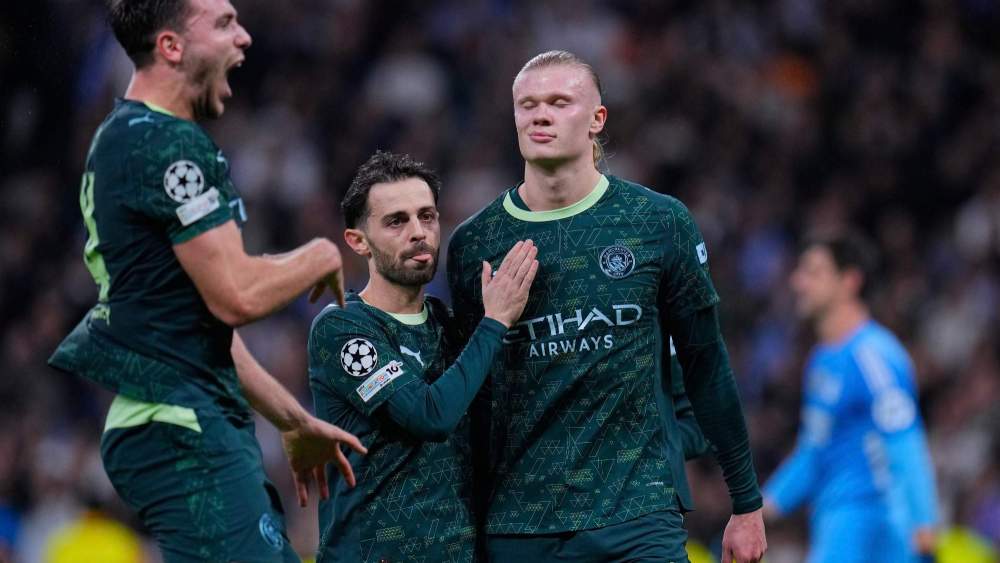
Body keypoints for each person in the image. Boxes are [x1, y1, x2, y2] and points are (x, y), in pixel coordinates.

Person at [47, 1, 365, 560]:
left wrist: (290, 420)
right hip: (180, 423)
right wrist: (317, 254)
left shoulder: (123, 139)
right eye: (223, 23)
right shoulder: (165, 143)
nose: (244, 38)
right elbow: (236, 295)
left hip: (178, 418)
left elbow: (197, 321)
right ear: (171, 46)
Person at [447, 49, 767, 563]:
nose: (540, 115)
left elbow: (708, 367)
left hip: (638, 516)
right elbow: (468, 402)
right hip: (519, 525)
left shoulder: (657, 223)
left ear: (597, 118)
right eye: (527, 105)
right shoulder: (474, 243)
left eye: (559, 102)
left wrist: (746, 503)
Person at [307, 151, 538, 562]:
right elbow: (429, 416)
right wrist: (495, 321)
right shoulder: (342, 328)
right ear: (358, 240)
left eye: (427, 216)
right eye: (397, 221)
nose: (418, 232)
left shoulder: (448, 326)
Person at [763, 232, 939, 563]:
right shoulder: (821, 361)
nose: (798, 282)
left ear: (849, 281)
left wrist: (925, 524)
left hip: (872, 521)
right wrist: (763, 507)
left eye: (813, 272)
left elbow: (905, 441)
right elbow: (814, 450)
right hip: (834, 521)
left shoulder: (874, 356)